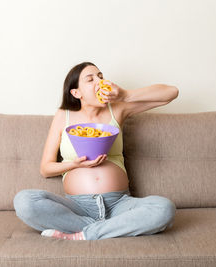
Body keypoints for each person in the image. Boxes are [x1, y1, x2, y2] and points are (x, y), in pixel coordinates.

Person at [13, 62, 179, 240]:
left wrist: (125, 95)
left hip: (119, 204)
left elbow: (171, 93)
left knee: (164, 208)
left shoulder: (117, 109)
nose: (99, 81)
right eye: (90, 79)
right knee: (24, 201)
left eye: (100, 76)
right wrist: (74, 164)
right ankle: (110, 229)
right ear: (76, 93)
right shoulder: (63, 115)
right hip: (77, 207)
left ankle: (82, 234)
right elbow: (45, 168)